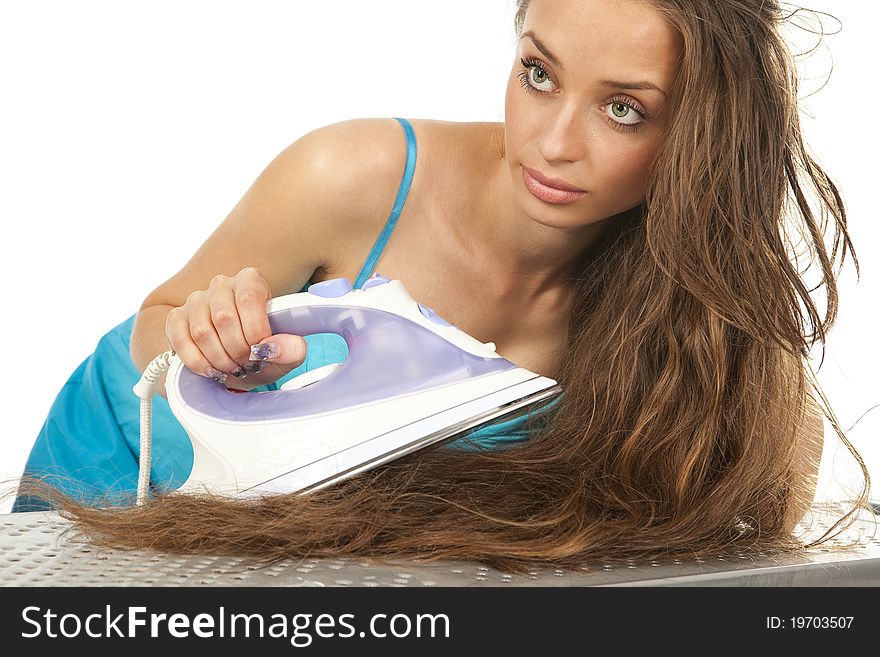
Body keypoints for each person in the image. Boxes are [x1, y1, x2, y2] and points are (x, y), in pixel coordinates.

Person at [11, 0, 870, 573]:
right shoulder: (352, 174)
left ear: (704, 135)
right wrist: (207, 334)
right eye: (539, 72)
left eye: (624, 110)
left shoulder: (697, 315)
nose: (554, 142)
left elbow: (759, 518)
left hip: (326, 554)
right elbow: (160, 321)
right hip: (118, 477)